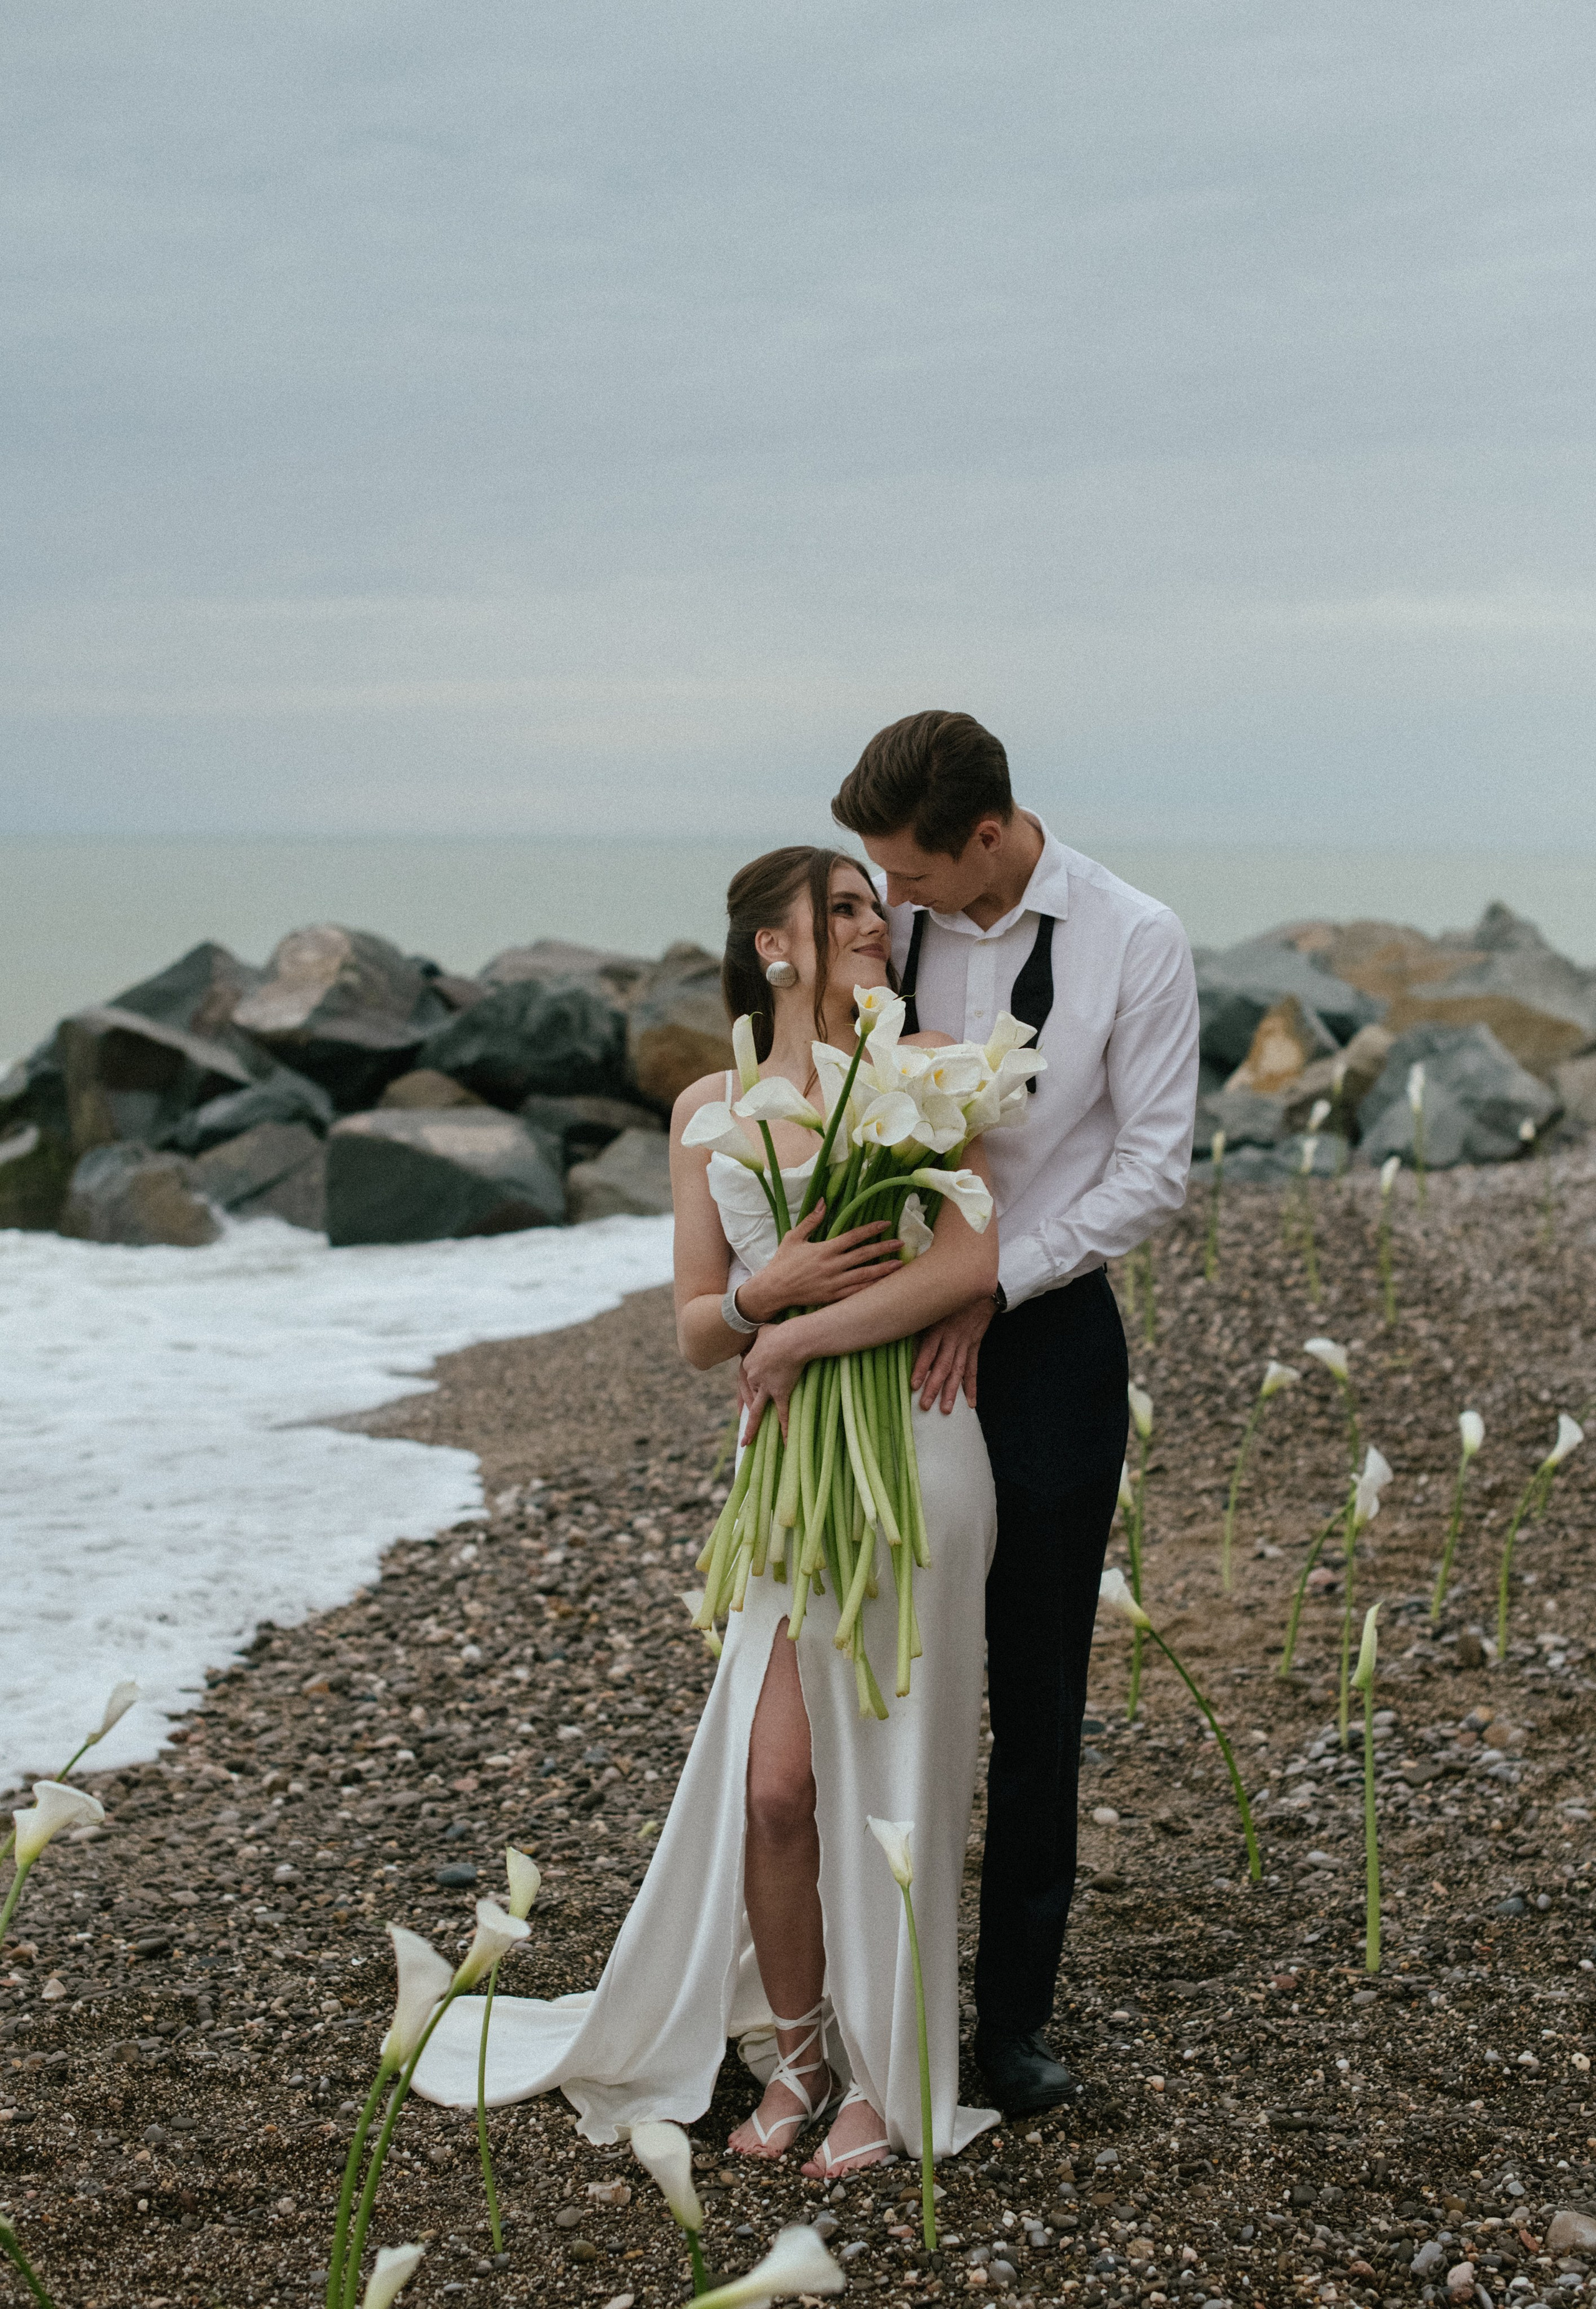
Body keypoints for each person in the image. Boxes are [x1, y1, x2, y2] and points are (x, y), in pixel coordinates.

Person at [414, 845, 1004, 2179]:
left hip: (914, 1442)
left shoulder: (923, 1070)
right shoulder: (706, 1111)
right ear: (774, 948)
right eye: (843, 908)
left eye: (876, 905)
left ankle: (882, 2077)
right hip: (791, 1463)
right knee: (780, 1787)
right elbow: (694, 1324)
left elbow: (967, 1255)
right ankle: (794, 2054)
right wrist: (764, 1298)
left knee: (896, 1781)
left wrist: (807, 1332)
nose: (874, 923)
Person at [832, 709, 1200, 2116]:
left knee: (1036, 1686)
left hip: (1047, 1344)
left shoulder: (1135, 938)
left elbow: (1153, 1174)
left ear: (985, 833)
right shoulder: (890, 922)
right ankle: (875, 2014)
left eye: (908, 873)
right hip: (887, 1334)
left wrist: (996, 1275)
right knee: (882, 1661)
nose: (888, 897)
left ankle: (1011, 2025)